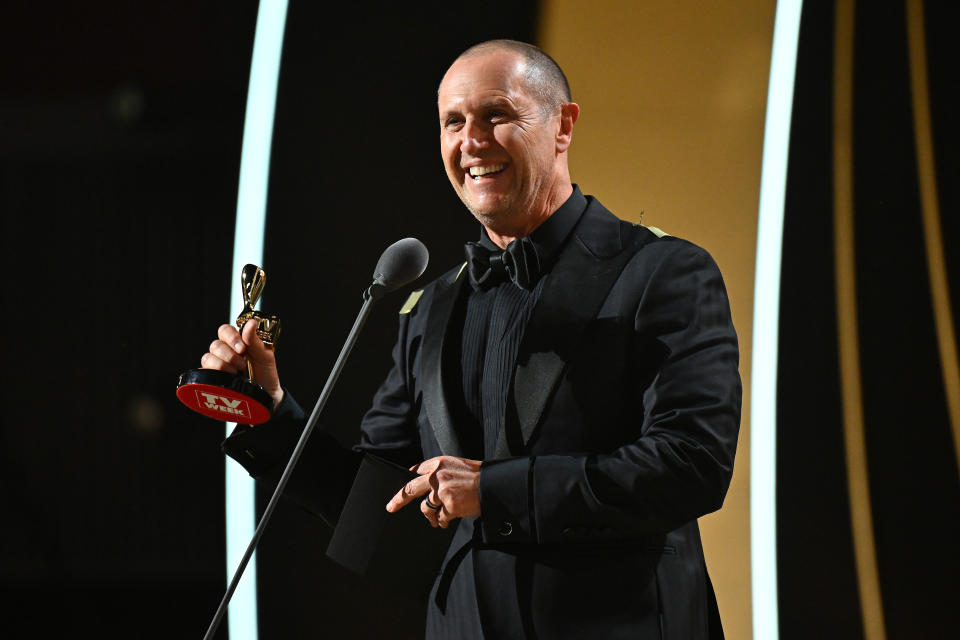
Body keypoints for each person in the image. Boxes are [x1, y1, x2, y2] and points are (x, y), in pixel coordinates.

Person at [202, 39, 741, 639]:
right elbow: (374, 506)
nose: (471, 142)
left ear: (562, 126)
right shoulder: (428, 307)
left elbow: (691, 464)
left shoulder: (663, 272)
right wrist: (269, 414)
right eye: (453, 122)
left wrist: (494, 490)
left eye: (497, 116)